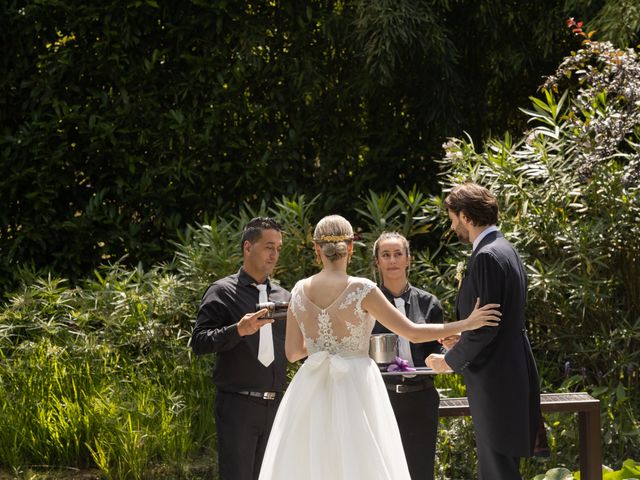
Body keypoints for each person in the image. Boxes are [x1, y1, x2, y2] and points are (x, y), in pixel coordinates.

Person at [258, 215, 501, 480]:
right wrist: (466, 323)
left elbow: (293, 352)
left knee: (313, 462)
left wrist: (323, 345)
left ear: (317, 249)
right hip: (356, 385)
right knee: (364, 461)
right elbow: (412, 332)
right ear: (350, 247)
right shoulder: (362, 289)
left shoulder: (299, 290)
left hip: (311, 386)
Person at [427, 183, 541, 480]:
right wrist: (462, 337)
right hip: (508, 373)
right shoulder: (506, 251)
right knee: (499, 468)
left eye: (453, 218)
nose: (452, 227)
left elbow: (487, 329)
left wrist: (448, 361)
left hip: (497, 380)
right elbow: (497, 323)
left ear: (465, 216)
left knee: (497, 470)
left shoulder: (488, 257)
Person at [191, 217, 291, 480]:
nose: (275, 254)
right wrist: (238, 330)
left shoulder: (285, 297)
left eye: (279, 248)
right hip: (238, 406)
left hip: (278, 407)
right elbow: (199, 342)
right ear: (248, 247)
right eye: (269, 246)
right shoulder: (222, 292)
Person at [371, 232, 443, 480]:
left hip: (421, 397)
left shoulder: (429, 303)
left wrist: (444, 355)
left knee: (421, 471)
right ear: (377, 262)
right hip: (381, 398)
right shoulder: (367, 305)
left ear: (408, 259)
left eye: (398, 254)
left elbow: (438, 349)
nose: (392, 261)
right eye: (386, 255)